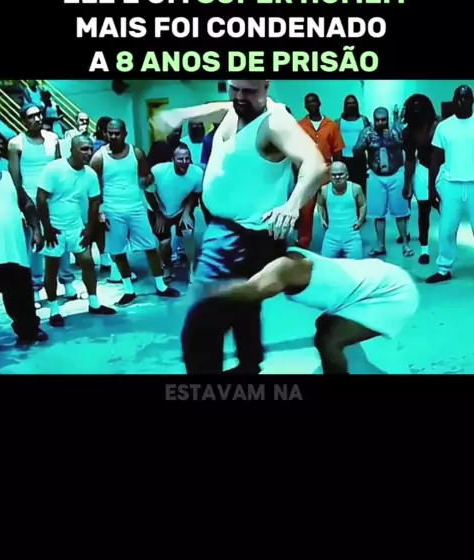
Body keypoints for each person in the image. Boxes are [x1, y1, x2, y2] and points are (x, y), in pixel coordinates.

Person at [152, 79, 327, 374]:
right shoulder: (237, 107)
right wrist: (182, 114)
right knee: (244, 301)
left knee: (202, 323)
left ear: (266, 87)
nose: (239, 97)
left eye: (249, 91)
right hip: (227, 229)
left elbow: (316, 164)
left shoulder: (275, 123)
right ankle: (249, 364)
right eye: (234, 89)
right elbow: (217, 108)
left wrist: (292, 204)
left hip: (242, 236)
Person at [206, 249, 419, 374]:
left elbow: (251, 291)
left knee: (327, 340)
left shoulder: (284, 268)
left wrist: (203, 294)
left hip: (391, 294)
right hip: (371, 281)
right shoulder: (288, 257)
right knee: (324, 324)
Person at [90, 119, 180, 305]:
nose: (113, 136)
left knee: (150, 247)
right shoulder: (99, 158)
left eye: (117, 133)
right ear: (105, 134)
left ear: (125, 134)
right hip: (112, 210)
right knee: (118, 252)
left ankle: (161, 285)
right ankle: (128, 290)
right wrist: (100, 212)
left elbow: (146, 178)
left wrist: (149, 183)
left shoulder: (136, 153)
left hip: (136, 208)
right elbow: (94, 189)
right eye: (110, 133)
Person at [37, 135, 116, 327]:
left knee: (88, 262)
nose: (88, 153)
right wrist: (47, 228)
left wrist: (89, 228)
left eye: (90, 149)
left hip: (75, 226)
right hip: (54, 227)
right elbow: (41, 198)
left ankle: (94, 303)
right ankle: (54, 309)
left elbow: (95, 200)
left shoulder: (90, 174)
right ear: (72, 150)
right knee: (52, 268)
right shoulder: (54, 169)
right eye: (83, 149)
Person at [8, 104, 76, 302]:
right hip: (30, 199)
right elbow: (15, 178)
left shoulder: (52, 138)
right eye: (31, 117)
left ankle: (67, 282)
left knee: (60, 238)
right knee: (35, 244)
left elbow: (59, 168)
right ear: (23, 121)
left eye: (39, 115)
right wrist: (22, 205)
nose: (37, 119)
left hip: (54, 197)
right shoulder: (16, 143)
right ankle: (36, 287)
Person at [0, 129, 48, 347]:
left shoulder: (9, 178)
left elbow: (26, 204)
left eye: (0, 143)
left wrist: (36, 229)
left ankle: (28, 331)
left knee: (22, 299)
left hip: (14, 252)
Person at [426, 85, 474, 284]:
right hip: (451, 184)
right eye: (459, 98)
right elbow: (435, 158)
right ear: (453, 100)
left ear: (472, 100)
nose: (462, 101)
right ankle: (443, 268)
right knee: (446, 229)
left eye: (466, 97)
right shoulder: (444, 127)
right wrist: (431, 188)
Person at [353, 107, 413, 258]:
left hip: (395, 174)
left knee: (400, 212)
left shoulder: (396, 130)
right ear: (374, 120)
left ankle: (405, 244)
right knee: (378, 213)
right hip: (376, 176)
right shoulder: (367, 132)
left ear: (388, 119)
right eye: (377, 120)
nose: (380, 122)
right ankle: (380, 245)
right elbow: (355, 151)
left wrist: (394, 141)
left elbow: (408, 148)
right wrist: (364, 143)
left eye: (383, 119)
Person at [148, 143, 203, 282]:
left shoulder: (197, 173)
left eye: (187, 158)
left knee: (188, 233)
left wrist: (187, 212)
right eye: (180, 159)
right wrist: (158, 214)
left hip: (180, 210)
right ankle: (167, 266)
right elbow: (149, 192)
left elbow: (195, 194)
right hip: (160, 210)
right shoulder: (158, 171)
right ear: (172, 159)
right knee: (164, 243)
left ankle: (192, 271)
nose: (184, 162)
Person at [297, 93, 344, 249]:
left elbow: (337, 150)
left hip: (327, 172)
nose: (311, 104)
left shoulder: (331, 125)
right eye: (308, 102)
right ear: (305, 106)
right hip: (307, 173)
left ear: (319, 103)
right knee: (306, 209)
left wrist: (338, 171)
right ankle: (303, 242)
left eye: (314, 101)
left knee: (333, 207)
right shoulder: (300, 126)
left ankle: (337, 240)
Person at [402, 94, 440, 264]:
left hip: (442, 171)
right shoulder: (409, 131)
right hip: (423, 170)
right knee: (424, 212)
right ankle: (424, 250)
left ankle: (446, 249)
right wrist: (407, 184)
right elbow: (410, 159)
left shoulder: (439, 126)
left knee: (446, 211)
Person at [317, 161, 366, 259]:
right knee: (326, 264)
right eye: (334, 175)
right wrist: (322, 219)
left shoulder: (356, 188)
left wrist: (360, 220)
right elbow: (320, 204)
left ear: (347, 175)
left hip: (352, 236)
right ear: (329, 176)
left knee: (356, 265)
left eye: (340, 174)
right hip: (331, 236)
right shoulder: (324, 190)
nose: (337, 177)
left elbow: (362, 204)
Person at [336, 95, 370, 193]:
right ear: (345, 105)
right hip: (343, 159)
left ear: (357, 104)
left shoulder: (364, 120)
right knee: (345, 187)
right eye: (349, 103)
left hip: (360, 159)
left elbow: (369, 139)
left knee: (360, 186)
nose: (351, 105)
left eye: (353, 103)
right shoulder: (338, 122)